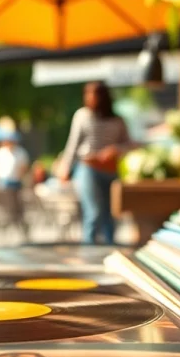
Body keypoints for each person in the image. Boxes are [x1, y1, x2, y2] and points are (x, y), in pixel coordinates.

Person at [58, 81, 133, 245]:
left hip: (110, 170)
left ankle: (109, 247)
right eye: (87, 94)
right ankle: (89, 248)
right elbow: (73, 144)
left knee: (110, 213)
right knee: (93, 211)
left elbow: (129, 144)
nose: (89, 98)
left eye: (93, 94)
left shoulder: (117, 120)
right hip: (88, 168)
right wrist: (65, 168)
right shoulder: (82, 115)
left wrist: (115, 149)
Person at [0, 135, 30, 239]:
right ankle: (7, 226)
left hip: (15, 183)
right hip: (1, 183)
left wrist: (18, 176)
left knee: (16, 207)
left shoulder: (20, 152)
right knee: (5, 208)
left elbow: (24, 167)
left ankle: (19, 227)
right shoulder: (0, 152)